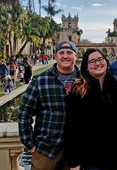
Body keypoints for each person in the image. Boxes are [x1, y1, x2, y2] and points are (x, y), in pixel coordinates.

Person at [18, 41, 80, 170]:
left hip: (76, 150)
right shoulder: (40, 80)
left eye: (69, 53)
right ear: (55, 56)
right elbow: (24, 112)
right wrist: (28, 142)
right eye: (61, 53)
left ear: (76, 56)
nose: (65, 56)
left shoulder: (85, 80)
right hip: (46, 149)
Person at [64, 48, 117, 170]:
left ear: (106, 61)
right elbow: (72, 127)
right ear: (86, 66)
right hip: (90, 159)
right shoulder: (78, 89)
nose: (98, 63)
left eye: (100, 59)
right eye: (92, 61)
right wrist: (74, 161)